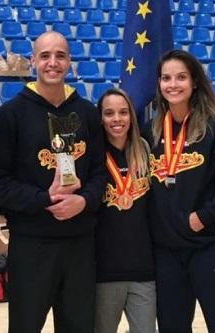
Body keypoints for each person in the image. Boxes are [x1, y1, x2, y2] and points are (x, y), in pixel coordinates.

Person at [0, 31, 105, 333]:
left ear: (70, 63)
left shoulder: (87, 113)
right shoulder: (11, 114)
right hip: (31, 245)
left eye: (61, 56)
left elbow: (100, 173)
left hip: (80, 244)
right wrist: (43, 199)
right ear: (33, 61)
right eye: (46, 56)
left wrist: (84, 201)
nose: (53, 62)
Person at [142, 50, 215, 333]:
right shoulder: (151, 132)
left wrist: (205, 215)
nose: (173, 84)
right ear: (158, 84)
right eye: (166, 78)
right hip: (167, 253)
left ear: (195, 81)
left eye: (181, 77)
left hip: (210, 247)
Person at [94, 88, 156, 333]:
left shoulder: (144, 149)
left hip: (144, 270)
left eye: (123, 112)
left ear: (132, 115)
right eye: (109, 113)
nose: (117, 119)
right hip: (105, 272)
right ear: (100, 118)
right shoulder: (93, 154)